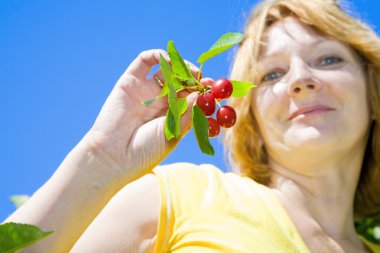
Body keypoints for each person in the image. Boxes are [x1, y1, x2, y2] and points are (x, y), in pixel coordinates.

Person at [3, 0, 380, 252]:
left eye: (328, 60)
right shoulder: (183, 196)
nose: (301, 79)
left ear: (373, 91)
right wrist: (101, 159)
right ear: (251, 119)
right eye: (272, 74)